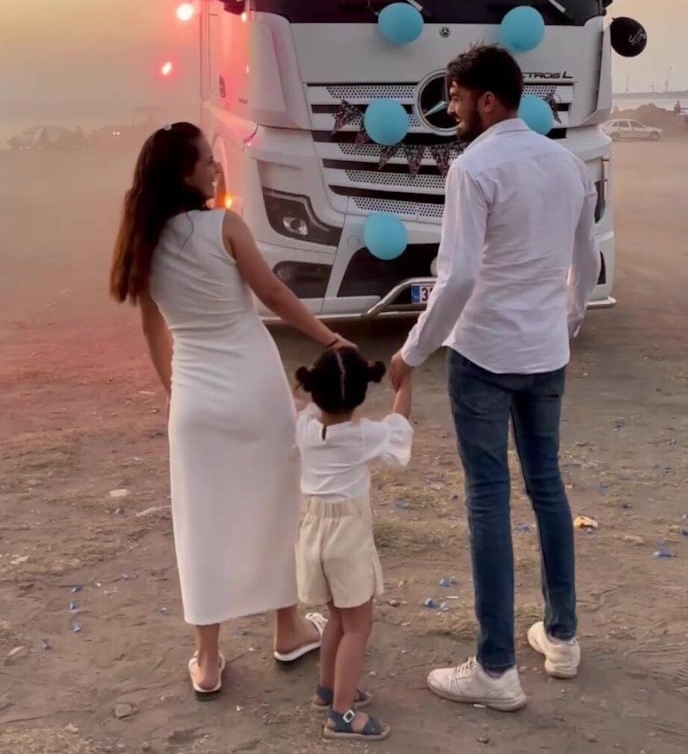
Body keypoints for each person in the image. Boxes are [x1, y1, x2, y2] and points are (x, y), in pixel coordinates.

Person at [109, 121, 355, 699]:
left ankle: (208, 657)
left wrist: (177, 394)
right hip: (254, 387)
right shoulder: (225, 226)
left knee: (201, 524)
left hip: (196, 398)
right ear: (183, 174)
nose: (216, 167)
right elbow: (273, 295)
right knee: (277, 507)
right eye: (206, 161)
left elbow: (153, 332)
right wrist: (330, 339)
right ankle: (288, 629)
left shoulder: (145, 239)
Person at [388, 44, 600, 711]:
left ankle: (496, 667)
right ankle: (561, 636)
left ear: (486, 99)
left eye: (454, 99)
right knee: (546, 486)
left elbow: (459, 277)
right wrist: (566, 323)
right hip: (545, 351)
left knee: (488, 498)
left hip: (483, 353)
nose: (450, 111)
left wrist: (412, 351)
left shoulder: (473, 168)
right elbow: (587, 260)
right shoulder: (567, 164)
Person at [293, 349, 413, 741]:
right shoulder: (362, 435)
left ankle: (327, 689)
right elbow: (399, 428)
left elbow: (299, 400)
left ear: (314, 390)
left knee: (338, 619)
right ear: (361, 394)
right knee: (358, 627)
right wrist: (405, 383)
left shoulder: (305, 427)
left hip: (312, 533)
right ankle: (342, 714)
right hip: (346, 538)